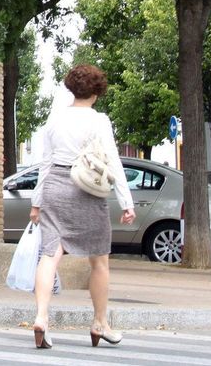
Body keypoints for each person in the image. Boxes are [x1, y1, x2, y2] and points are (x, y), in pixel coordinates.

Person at [29, 64, 135, 350]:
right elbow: (113, 161)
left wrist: (36, 203)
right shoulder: (99, 121)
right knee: (99, 260)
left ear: (71, 88)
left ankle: (41, 317)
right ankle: (100, 322)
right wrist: (126, 202)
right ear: (98, 91)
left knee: (49, 255)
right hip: (87, 189)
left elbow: (45, 164)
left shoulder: (55, 119)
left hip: (54, 188)